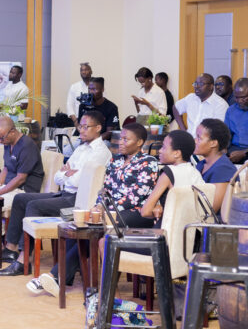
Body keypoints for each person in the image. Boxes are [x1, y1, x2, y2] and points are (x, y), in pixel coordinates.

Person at [27, 122, 158, 297]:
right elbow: (105, 189)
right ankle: (60, 278)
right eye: (121, 138)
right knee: (82, 226)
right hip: (112, 211)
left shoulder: (148, 162)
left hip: (137, 213)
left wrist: (105, 210)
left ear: (140, 142)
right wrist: (98, 205)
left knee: (96, 228)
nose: (121, 142)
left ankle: (56, 276)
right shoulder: (116, 160)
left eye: (126, 139)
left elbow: (136, 195)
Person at [0, 111, 112, 276]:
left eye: (86, 127)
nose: (81, 130)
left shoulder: (100, 152)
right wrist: (68, 174)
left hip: (79, 201)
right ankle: (11, 248)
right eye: (80, 126)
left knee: (34, 205)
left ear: (98, 128)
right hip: (65, 193)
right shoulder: (81, 148)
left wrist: (68, 174)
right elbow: (58, 177)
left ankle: (24, 259)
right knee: (21, 199)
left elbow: (77, 182)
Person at [0, 116, 45, 229]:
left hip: (23, 191)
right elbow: (6, 169)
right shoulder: (8, 143)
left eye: (1, 138)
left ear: (12, 131)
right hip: (10, 187)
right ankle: (0, 231)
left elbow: (20, 178)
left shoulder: (26, 146)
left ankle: (2, 233)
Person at [140, 130, 204, 220]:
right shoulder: (195, 172)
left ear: (176, 153)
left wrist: (160, 210)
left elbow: (145, 212)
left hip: (172, 225)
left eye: (164, 147)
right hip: (194, 225)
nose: (160, 151)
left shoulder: (169, 173)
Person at [194, 119, 236, 212]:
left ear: (213, 143)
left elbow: (212, 209)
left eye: (199, 138)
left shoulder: (223, 169)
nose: (195, 141)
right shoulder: (202, 164)